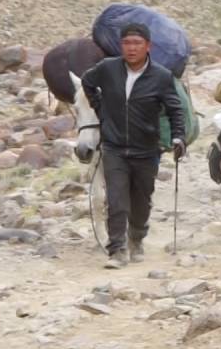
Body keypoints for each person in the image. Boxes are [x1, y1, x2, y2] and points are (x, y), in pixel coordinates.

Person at [80, 23, 186, 269]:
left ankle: (136, 238)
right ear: (121, 46)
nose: (131, 48)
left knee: (141, 200)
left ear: (148, 46)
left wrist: (178, 137)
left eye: (137, 43)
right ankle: (117, 249)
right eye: (127, 43)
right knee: (116, 199)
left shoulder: (161, 76)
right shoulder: (108, 69)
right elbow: (87, 81)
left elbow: (174, 110)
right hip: (114, 147)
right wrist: (101, 109)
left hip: (146, 149)